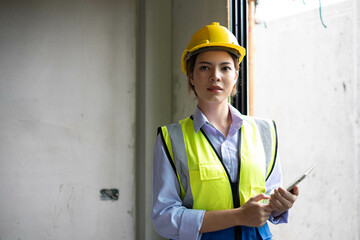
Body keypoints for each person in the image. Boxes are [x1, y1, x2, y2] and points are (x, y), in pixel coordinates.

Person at [152, 22, 299, 240]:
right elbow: (165, 219)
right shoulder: (170, 138)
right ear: (191, 76)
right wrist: (238, 216)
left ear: (236, 74)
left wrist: (280, 205)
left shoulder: (265, 131)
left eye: (225, 67)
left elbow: (267, 200)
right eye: (204, 67)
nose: (216, 76)